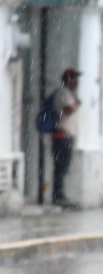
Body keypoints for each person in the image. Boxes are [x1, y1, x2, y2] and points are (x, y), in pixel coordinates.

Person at [52, 68, 81, 208]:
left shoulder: (69, 93)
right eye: (75, 79)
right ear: (69, 80)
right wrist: (76, 104)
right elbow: (67, 110)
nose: (77, 82)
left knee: (63, 166)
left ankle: (60, 193)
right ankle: (57, 194)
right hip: (61, 137)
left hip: (66, 136)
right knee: (60, 167)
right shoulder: (63, 93)